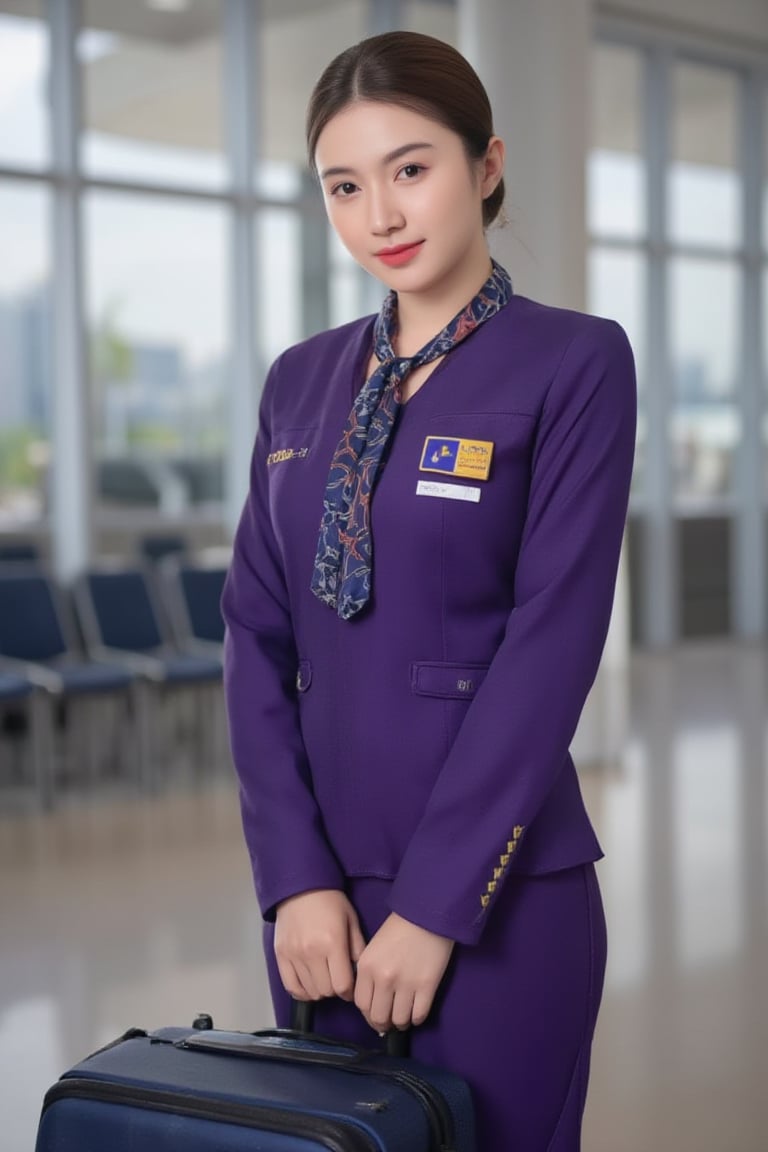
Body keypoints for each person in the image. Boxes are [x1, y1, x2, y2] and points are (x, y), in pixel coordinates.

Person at [222, 29, 636, 1152]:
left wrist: (437, 909)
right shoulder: (299, 381)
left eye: (412, 169)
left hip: (500, 894)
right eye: (344, 187)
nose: (382, 216)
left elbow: (551, 645)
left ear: (486, 164)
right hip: (322, 911)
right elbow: (255, 639)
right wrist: (293, 884)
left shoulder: (576, 363)